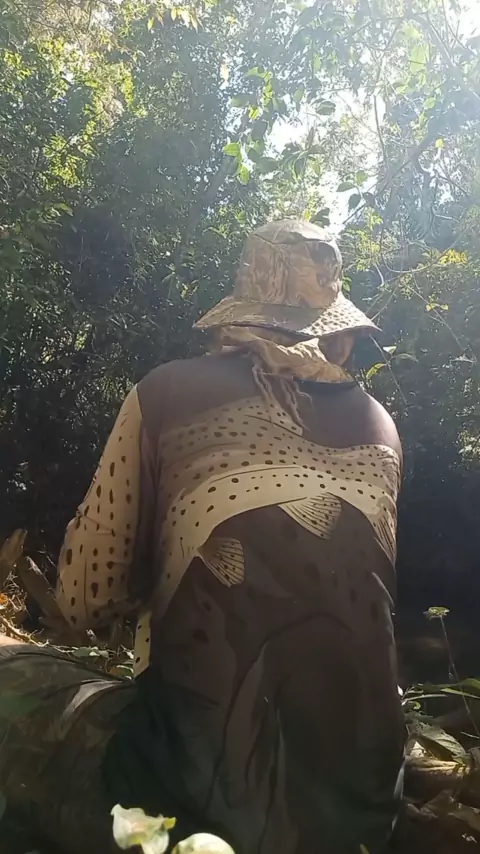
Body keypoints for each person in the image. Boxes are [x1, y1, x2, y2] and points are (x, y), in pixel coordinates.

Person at [0, 219, 404, 854]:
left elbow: (82, 601)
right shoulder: (382, 428)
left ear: (233, 324)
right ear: (340, 337)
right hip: (366, 819)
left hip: (189, 804)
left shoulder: (167, 392)